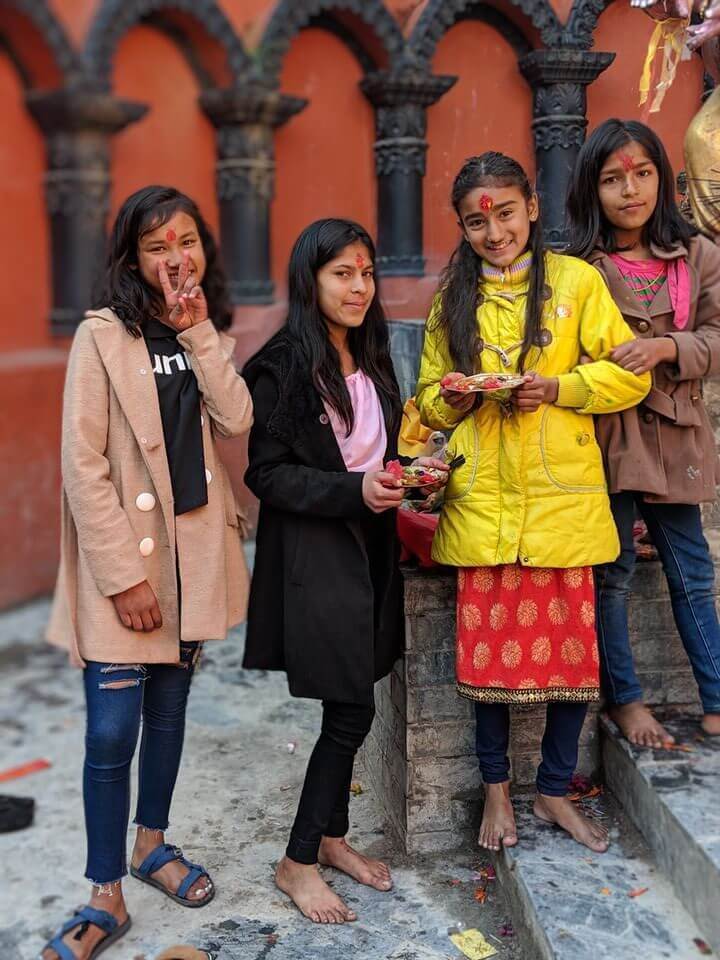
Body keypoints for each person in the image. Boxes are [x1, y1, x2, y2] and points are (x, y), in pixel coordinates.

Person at [415, 152, 650, 854]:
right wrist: (452, 397)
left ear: (533, 209)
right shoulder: (452, 294)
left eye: (506, 214)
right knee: (489, 678)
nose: (494, 232)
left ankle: (552, 794)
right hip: (485, 509)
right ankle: (497, 799)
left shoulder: (578, 283)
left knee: (573, 672)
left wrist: (559, 390)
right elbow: (425, 398)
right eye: (477, 222)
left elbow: (628, 374)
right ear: (462, 226)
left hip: (563, 508)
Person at [42, 186, 253, 960]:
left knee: (168, 715)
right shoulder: (100, 335)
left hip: (190, 559)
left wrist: (201, 334)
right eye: (159, 245)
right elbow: (82, 463)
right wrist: (120, 577)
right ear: (133, 257)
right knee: (110, 732)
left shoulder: (201, 329)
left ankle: (150, 845)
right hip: (125, 566)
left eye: (188, 241)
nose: (177, 257)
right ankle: (105, 891)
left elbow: (236, 422)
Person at [242, 218, 446, 924]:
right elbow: (267, 474)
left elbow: (375, 455)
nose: (359, 287)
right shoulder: (279, 369)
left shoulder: (373, 353)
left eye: (366, 273)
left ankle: (332, 840)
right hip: (317, 556)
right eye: (342, 274)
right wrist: (352, 492)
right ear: (311, 280)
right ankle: (297, 860)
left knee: (351, 696)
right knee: (351, 706)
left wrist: (409, 479)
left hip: (373, 549)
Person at [566, 119, 720, 747]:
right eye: (611, 179)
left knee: (693, 568)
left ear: (664, 177)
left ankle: (715, 696)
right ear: (590, 189)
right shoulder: (580, 270)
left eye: (642, 173)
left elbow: (716, 338)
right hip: (610, 440)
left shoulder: (699, 256)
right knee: (614, 571)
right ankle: (625, 701)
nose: (630, 190)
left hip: (679, 437)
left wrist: (665, 345)